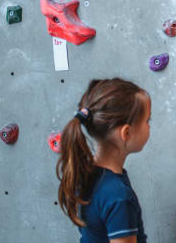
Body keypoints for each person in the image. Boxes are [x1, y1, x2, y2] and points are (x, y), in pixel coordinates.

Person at [56, 78, 152, 243]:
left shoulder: (86, 171)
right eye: (147, 121)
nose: (149, 126)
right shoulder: (118, 196)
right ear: (126, 133)